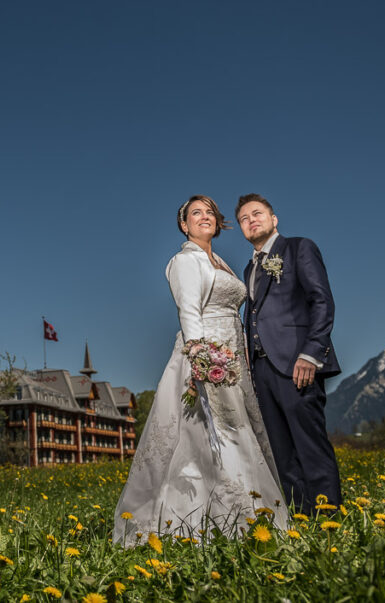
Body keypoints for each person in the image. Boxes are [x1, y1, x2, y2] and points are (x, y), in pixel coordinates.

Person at [113, 195, 287, 547]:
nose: (204, 217)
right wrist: (200, 358)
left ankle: (248, 514)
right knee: (210, 435)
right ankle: (205, 522)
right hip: (209, 356)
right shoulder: (184, 260)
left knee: (237, 431)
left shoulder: (219, 262)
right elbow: (189, 310)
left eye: (210, 212)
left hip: (234, 354)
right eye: (196, 213)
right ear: (184, 225)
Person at [236, 193, 342, 515]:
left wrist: (311, 354)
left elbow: (321, 300)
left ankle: (329, 519)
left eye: (257, 213)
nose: (251, 220)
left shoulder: (298, 248)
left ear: (274, 219)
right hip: (262, 371)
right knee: (282, 452)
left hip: (297, 364)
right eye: (244, 218)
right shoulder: (248, 269)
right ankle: (301, 518)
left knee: (310, 444)